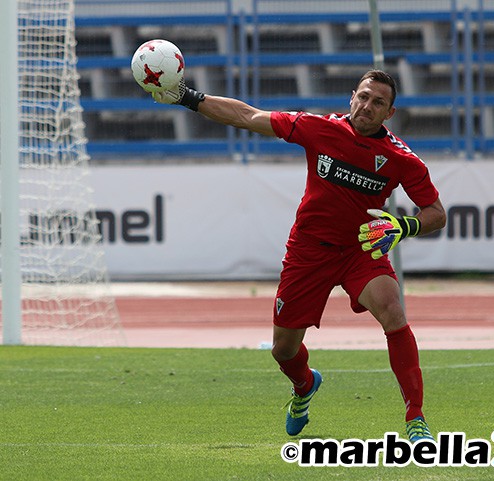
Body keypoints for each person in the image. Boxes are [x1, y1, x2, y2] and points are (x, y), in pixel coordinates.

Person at [149, 69, 447, 442]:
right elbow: (248, 116)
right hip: (309, 251)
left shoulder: (401, 158)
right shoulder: (318, 129)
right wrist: (188, 98)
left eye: (379, 103)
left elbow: (436, 213)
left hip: (361, 249)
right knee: (283, 350)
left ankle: (415, 418)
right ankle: (305, 386)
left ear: (389, 113)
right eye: (364, 97)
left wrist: (404, 227)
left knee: (392, 310)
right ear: (351, 96)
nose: (368, 106)